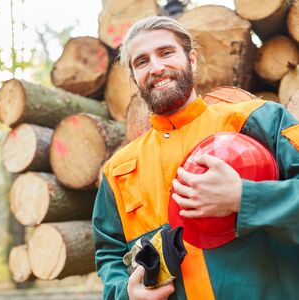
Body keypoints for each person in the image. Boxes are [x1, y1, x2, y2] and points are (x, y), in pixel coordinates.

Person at [92, 16, 299, 300]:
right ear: (133, 79)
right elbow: (109, 253)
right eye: (142, 62)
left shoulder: (261, 120)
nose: (157, 67)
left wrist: (243, 197)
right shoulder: (118, 171)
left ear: (192, 60)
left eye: (166, 53)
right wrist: (126, 292)